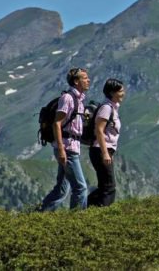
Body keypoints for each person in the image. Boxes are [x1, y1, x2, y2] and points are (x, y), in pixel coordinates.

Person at [38, 68, 90, 211]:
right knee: (81, 188)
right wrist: (61, 149)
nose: (88, 80)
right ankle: (77, 221)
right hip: (67, 149)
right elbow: (57, 123)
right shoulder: (68, 98)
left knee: (61, 189)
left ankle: (39, 214)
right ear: (76, 81)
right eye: (85, 78)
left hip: (71, 147)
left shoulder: (79, 100)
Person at [87, 78, 125, 207]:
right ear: (112, 93)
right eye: (121, 91)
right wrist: (105, 153)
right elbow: (99, 130)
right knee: (109, 186)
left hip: (103, 150)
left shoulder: (112, 108)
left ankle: (87, 207)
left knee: (105, 185)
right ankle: (103, 213)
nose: (123, 93)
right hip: (100, 150)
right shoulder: (106, 108)